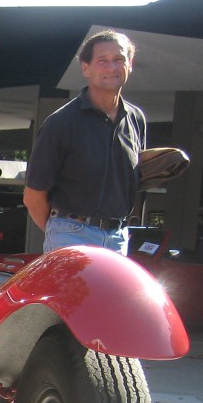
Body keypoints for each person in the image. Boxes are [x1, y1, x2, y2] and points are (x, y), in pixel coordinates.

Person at [23, 30, 145, 256]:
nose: (111, 67)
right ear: (86, 68)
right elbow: (33, 197)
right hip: (70, 234)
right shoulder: (60, 123)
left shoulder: (136, 119)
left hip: (118, 237)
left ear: (129, 65)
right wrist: (60, 231)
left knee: (114, 294)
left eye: (119, 59)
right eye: (102, 61)